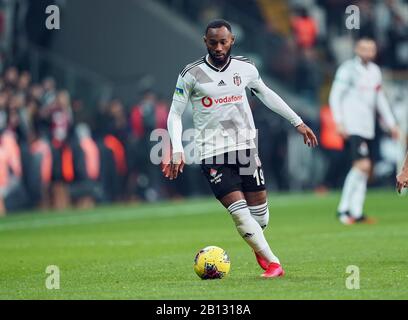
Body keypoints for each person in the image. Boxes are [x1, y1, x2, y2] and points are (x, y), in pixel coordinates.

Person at [163, 19, 318, 278]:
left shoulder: (245, 67)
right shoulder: (191, 74)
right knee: (239, 212)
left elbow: (266, 94)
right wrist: (177, 148)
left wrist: (297, 122)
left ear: (232, 40)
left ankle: (259, 245)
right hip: (212, 153)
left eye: (224, 42)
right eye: (213, 42)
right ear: (205, 42)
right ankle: (274, 263)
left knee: (261, 218)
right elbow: (174, 115)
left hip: (245, 149)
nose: (219, 47)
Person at [329, 37, 399, 225]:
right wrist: (339, 122)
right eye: (364, 48)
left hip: (368, 127)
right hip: (352, 125)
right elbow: (335, 96)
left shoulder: (375, 71)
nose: (368, 52)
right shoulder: (348, 70)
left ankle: (357, 212)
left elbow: (380, 100)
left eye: (371, 49)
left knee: (363, 169)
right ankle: (343, 210)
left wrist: (392, 124)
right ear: (357, 50)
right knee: (362, 166)